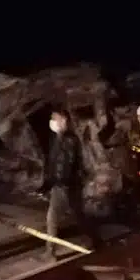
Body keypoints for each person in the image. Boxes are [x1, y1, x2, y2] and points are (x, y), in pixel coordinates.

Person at [42, 109, 99, 261]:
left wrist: (59, 182)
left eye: (55, 118)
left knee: (54, 218)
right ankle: (95, 240)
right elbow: (53, 163)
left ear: (64, 120)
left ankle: (50, 252)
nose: (52, 121)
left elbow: (65, 164)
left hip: (65, 185)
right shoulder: (58, 138)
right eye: (52, 118)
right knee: (76, 215)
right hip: (64, 185)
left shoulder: (68, 140)